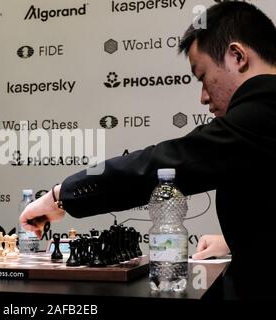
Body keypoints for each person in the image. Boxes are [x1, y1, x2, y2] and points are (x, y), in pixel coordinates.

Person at [20, 2, 276, 299]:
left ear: (237, 56)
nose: (203, 97)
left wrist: (60, 196)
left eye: (203, 76)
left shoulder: (263, 111)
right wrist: (238, 241)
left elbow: (163, 163)